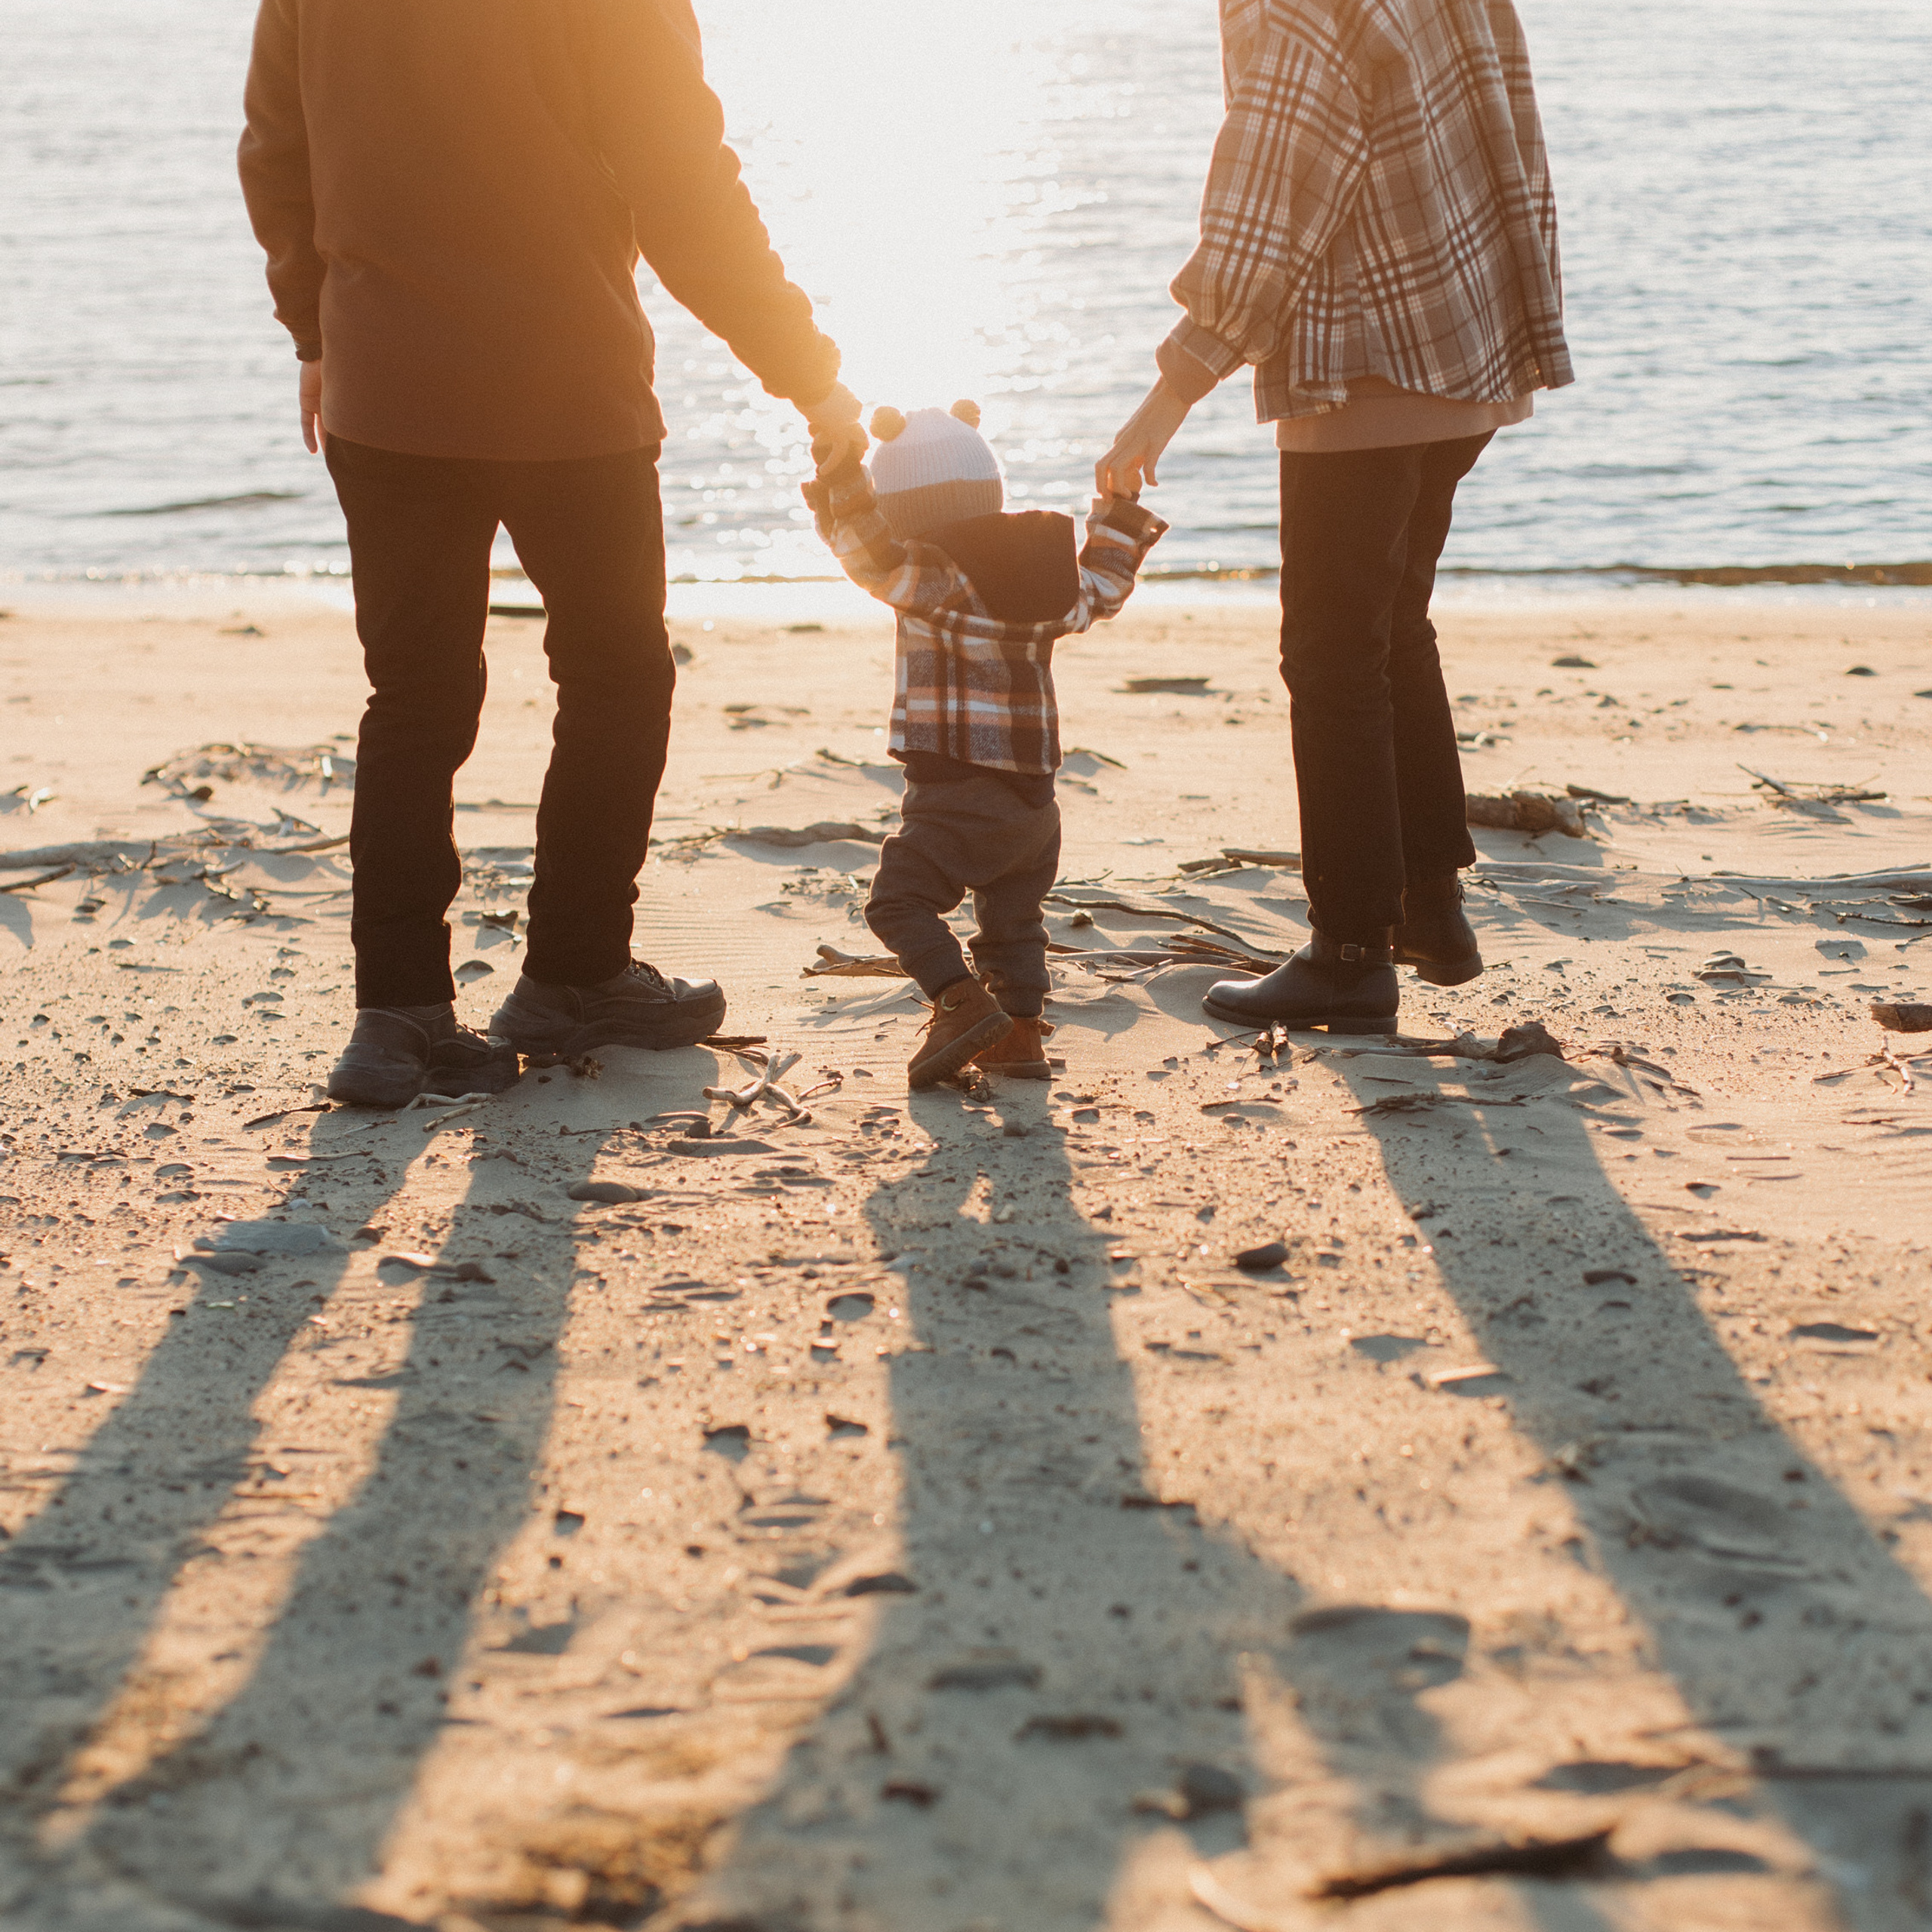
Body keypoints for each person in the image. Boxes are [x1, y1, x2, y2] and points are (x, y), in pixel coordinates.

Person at [238, 0, 865, 1107]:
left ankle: (396, 1016)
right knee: (619, 679)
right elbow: (685, 188)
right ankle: (573, 974)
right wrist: (807, 369)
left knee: (415, 699)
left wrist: (313, 334)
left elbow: (274, 147)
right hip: (565, 392)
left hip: (383, 390)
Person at [1097, 0, 1573, 1034]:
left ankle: (1352, 952)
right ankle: (1426, 911)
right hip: (1470, 330)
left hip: (1369, 353)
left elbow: (1271, 205)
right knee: (1391, 622)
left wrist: (1167, 397)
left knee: (1332, 652)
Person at [805, 404, 1166, 1089]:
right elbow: (1106, 585)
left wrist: (839, 476)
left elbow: (862, 548)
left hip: (955, 796)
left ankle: (960, 1003)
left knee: (896, 903)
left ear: (904, 512)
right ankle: (1020, 1040)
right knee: (1012, 921)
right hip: (1034, 809)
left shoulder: (930, 580)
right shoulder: (1050, 580)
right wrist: (1117, 513)